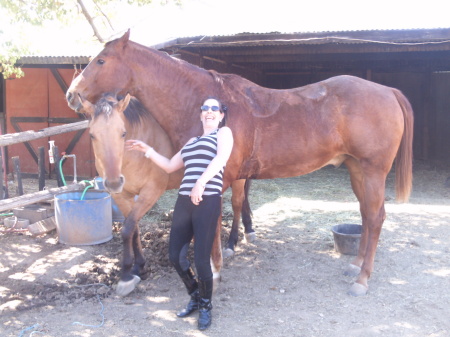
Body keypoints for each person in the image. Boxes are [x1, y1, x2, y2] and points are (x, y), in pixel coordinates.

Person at [125, 97, 233, 330]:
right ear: (201, 114)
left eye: (215, 109)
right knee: (175, 255)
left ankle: (206, 306)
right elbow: (170, 165)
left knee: (202, 259)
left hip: (207, 199)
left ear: (221, 115)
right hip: (184, 201)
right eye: (205, 108)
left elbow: (221, 158)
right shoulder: (192, 141)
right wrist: (148, 150)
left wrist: (201, 183)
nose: (210, 112)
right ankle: (195, 294)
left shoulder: (223, 134)